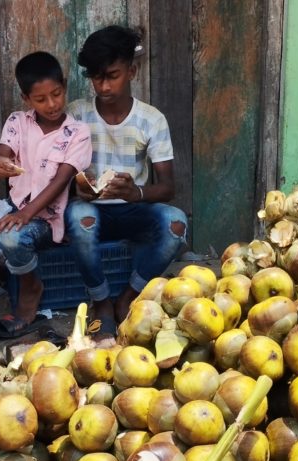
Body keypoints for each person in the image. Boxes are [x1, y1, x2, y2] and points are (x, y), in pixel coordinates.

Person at [0, 51, 92, 338]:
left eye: (57, 94)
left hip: (46, 222)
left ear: (64, 85)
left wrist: (26, 214)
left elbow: (61, 182)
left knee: (11, 238)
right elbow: (2, 153)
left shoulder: (77, 132)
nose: (51, 104)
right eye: (41, 99)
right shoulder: (17, 122)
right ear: (27, 99)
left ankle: (30, 288)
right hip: (11, 210)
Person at [65, 25, 187, 334]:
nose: (103, 86)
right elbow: (57, 175)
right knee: (80, 218)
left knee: (176, 224)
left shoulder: (151, 119)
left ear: (131, 71)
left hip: (134, 210)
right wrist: (78, 186)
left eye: (112, 75)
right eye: (95, 77)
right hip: (92, 210)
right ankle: (102, 301)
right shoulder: (77, 114)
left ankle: (128, 296)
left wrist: (137, 193)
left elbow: (168, 188)